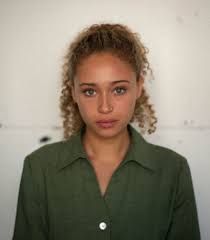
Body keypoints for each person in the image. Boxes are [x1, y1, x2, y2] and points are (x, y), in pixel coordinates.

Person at [12, 23, 201, 240]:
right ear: (73, 92)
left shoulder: (173, 171)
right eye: (90, 91)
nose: (105, 107)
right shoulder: (39, 169)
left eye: (119, 89)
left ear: (139, 86)